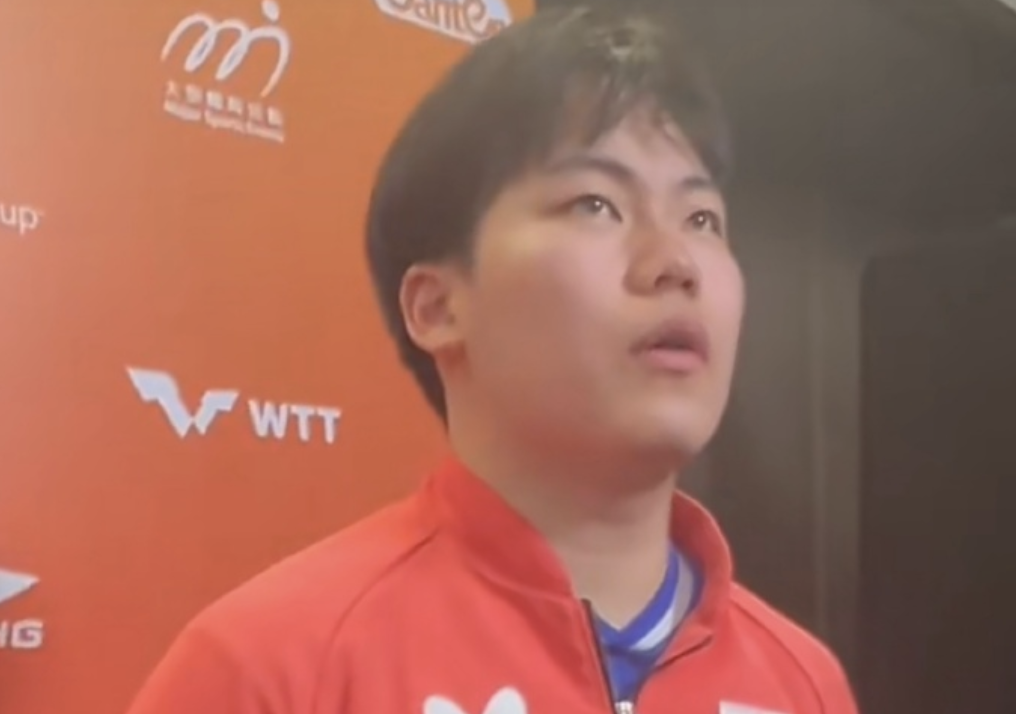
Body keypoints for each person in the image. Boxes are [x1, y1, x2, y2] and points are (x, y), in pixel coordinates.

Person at [127, 4, 858, 714]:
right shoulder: (275, 668)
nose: (677, 262)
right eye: (595, 204)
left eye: (702, 219)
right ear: (437, 307)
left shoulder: (803, 685)